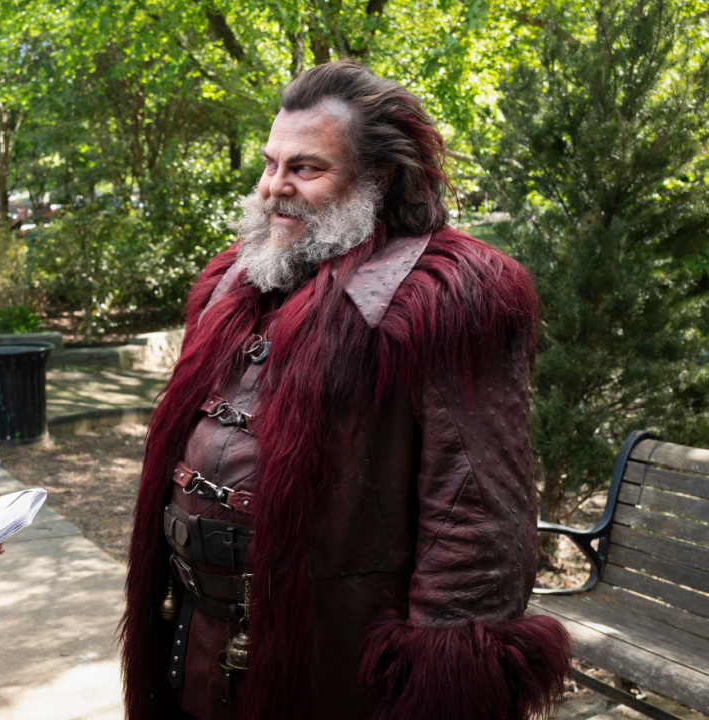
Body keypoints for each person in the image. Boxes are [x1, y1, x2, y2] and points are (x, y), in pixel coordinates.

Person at [120, 60, 571, 720]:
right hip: (197, 655)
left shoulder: (444, 301)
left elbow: (473, 522)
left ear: (379, 178)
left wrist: (437, 690)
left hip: (333, 678)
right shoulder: (231, 287)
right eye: (270, 165)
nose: (275, 187)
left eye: (305, 168)